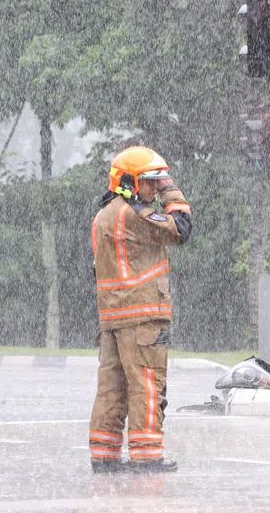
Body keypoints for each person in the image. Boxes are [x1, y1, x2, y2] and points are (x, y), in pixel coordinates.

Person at [88, 146, 192, 474]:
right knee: (147, 382)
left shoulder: (104, 214)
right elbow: (181, 228)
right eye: (149, 181)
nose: (153, 187)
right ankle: (147, 456)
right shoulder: (132, 213)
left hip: (114, 316)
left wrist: (156, 181)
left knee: (112, 386)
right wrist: (170, 189)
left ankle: (104, 453)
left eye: (157, 181)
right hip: (142, 315)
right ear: (128, 181)